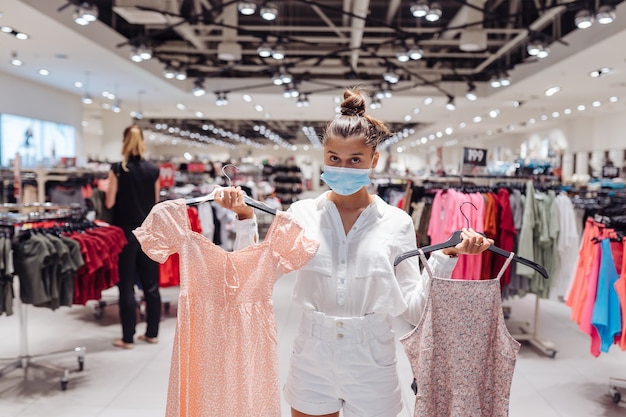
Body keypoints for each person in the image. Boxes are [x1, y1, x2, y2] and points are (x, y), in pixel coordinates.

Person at [215, 88, 493, 417]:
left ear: (374, 160)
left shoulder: (396, 222)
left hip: (372, 359)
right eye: (334, 158)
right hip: (312, 355)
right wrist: (245, 219)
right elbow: (252, 280)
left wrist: (445, 257)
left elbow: (415, 312)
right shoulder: (301, 214)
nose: (343, 168)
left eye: (355, 160)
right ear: (324, 156)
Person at [105, 125, 161, 349]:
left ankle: (128, 337)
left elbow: (109, 202)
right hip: (148, 232)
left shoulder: (119, 169)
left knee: (126, 286)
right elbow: (156, 203)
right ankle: (152, 333)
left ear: (124, 143)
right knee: (151, 285)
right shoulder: (153, 169)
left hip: (125, 233)